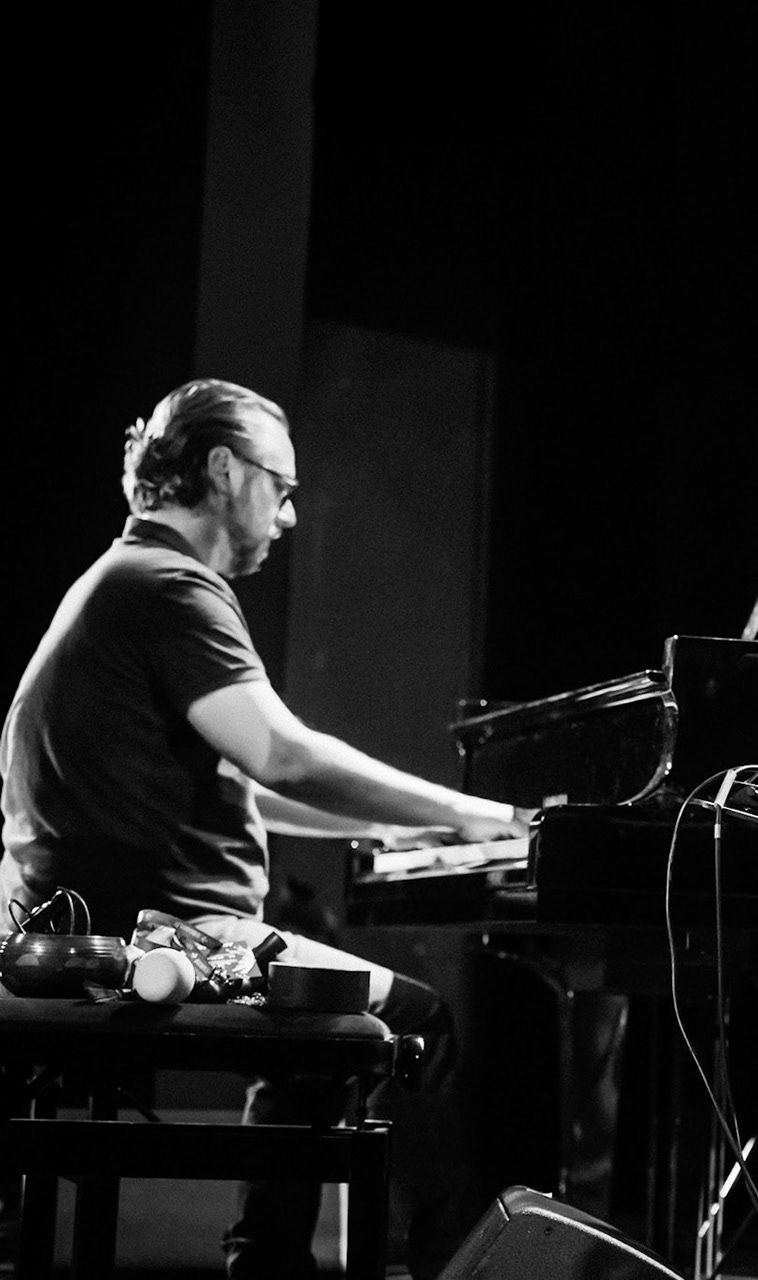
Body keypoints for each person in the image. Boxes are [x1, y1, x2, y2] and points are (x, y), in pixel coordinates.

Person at [0, 378, 531, 1278]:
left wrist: (408, 832)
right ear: (224, 470)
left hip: (99, 926)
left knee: (320, 1000)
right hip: (162, 937)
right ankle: (438, 1271)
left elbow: (248, 779)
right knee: (420, 1022)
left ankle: (267, 1260)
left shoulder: (122, 580)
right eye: (280, 488)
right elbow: (281, 755)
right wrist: (478, 814)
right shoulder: (171, 585)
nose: (286, 517)